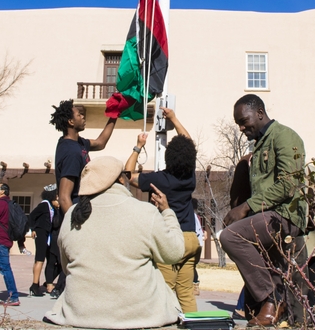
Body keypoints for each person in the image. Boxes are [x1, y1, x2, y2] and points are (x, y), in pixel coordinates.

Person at [43, 156, 184, 328]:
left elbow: (67, 266)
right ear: (119, 178)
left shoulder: (72, 215)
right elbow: (174, 253)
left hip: (81, 313)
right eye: (126, 174)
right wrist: (167, 212)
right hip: (140, 314)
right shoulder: (145, 211)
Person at [221, 94, 307, 327]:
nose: (241, 127)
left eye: (244, 120)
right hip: (267, 217)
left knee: (231, 236)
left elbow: (289, 185)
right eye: (237, 123)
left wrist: (246, 208)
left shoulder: (284, 136)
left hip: (285, 215)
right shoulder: (259, 146)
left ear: (260, 112)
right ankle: (272, 302)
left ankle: (272, 299)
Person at [125, 107, 200, 313]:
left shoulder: (159, 180)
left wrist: (138, 147)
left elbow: (128, 175)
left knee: (165, 289)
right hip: (191, 239)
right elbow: (188, 142)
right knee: (185, 292)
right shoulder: (190, 177)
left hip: (170, 238)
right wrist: (174, 118)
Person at [50, 99, 117, 216]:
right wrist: (74, 226)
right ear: (71, 121)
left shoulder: (77, 143)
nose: (83, 117)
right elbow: (64, 198)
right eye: (79, 115)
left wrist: (114, 115)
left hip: (83, 207)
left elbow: (100, 143)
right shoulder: (71, 153)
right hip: (76, 210)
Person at [28, 186, 60, 297]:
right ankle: (35, 285)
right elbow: (32, 216)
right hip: (41, 232)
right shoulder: (44, 205)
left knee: (51, 259)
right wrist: (33, 229)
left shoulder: (52, 207)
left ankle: (48, 283)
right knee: (39, 259)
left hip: (48, 235)